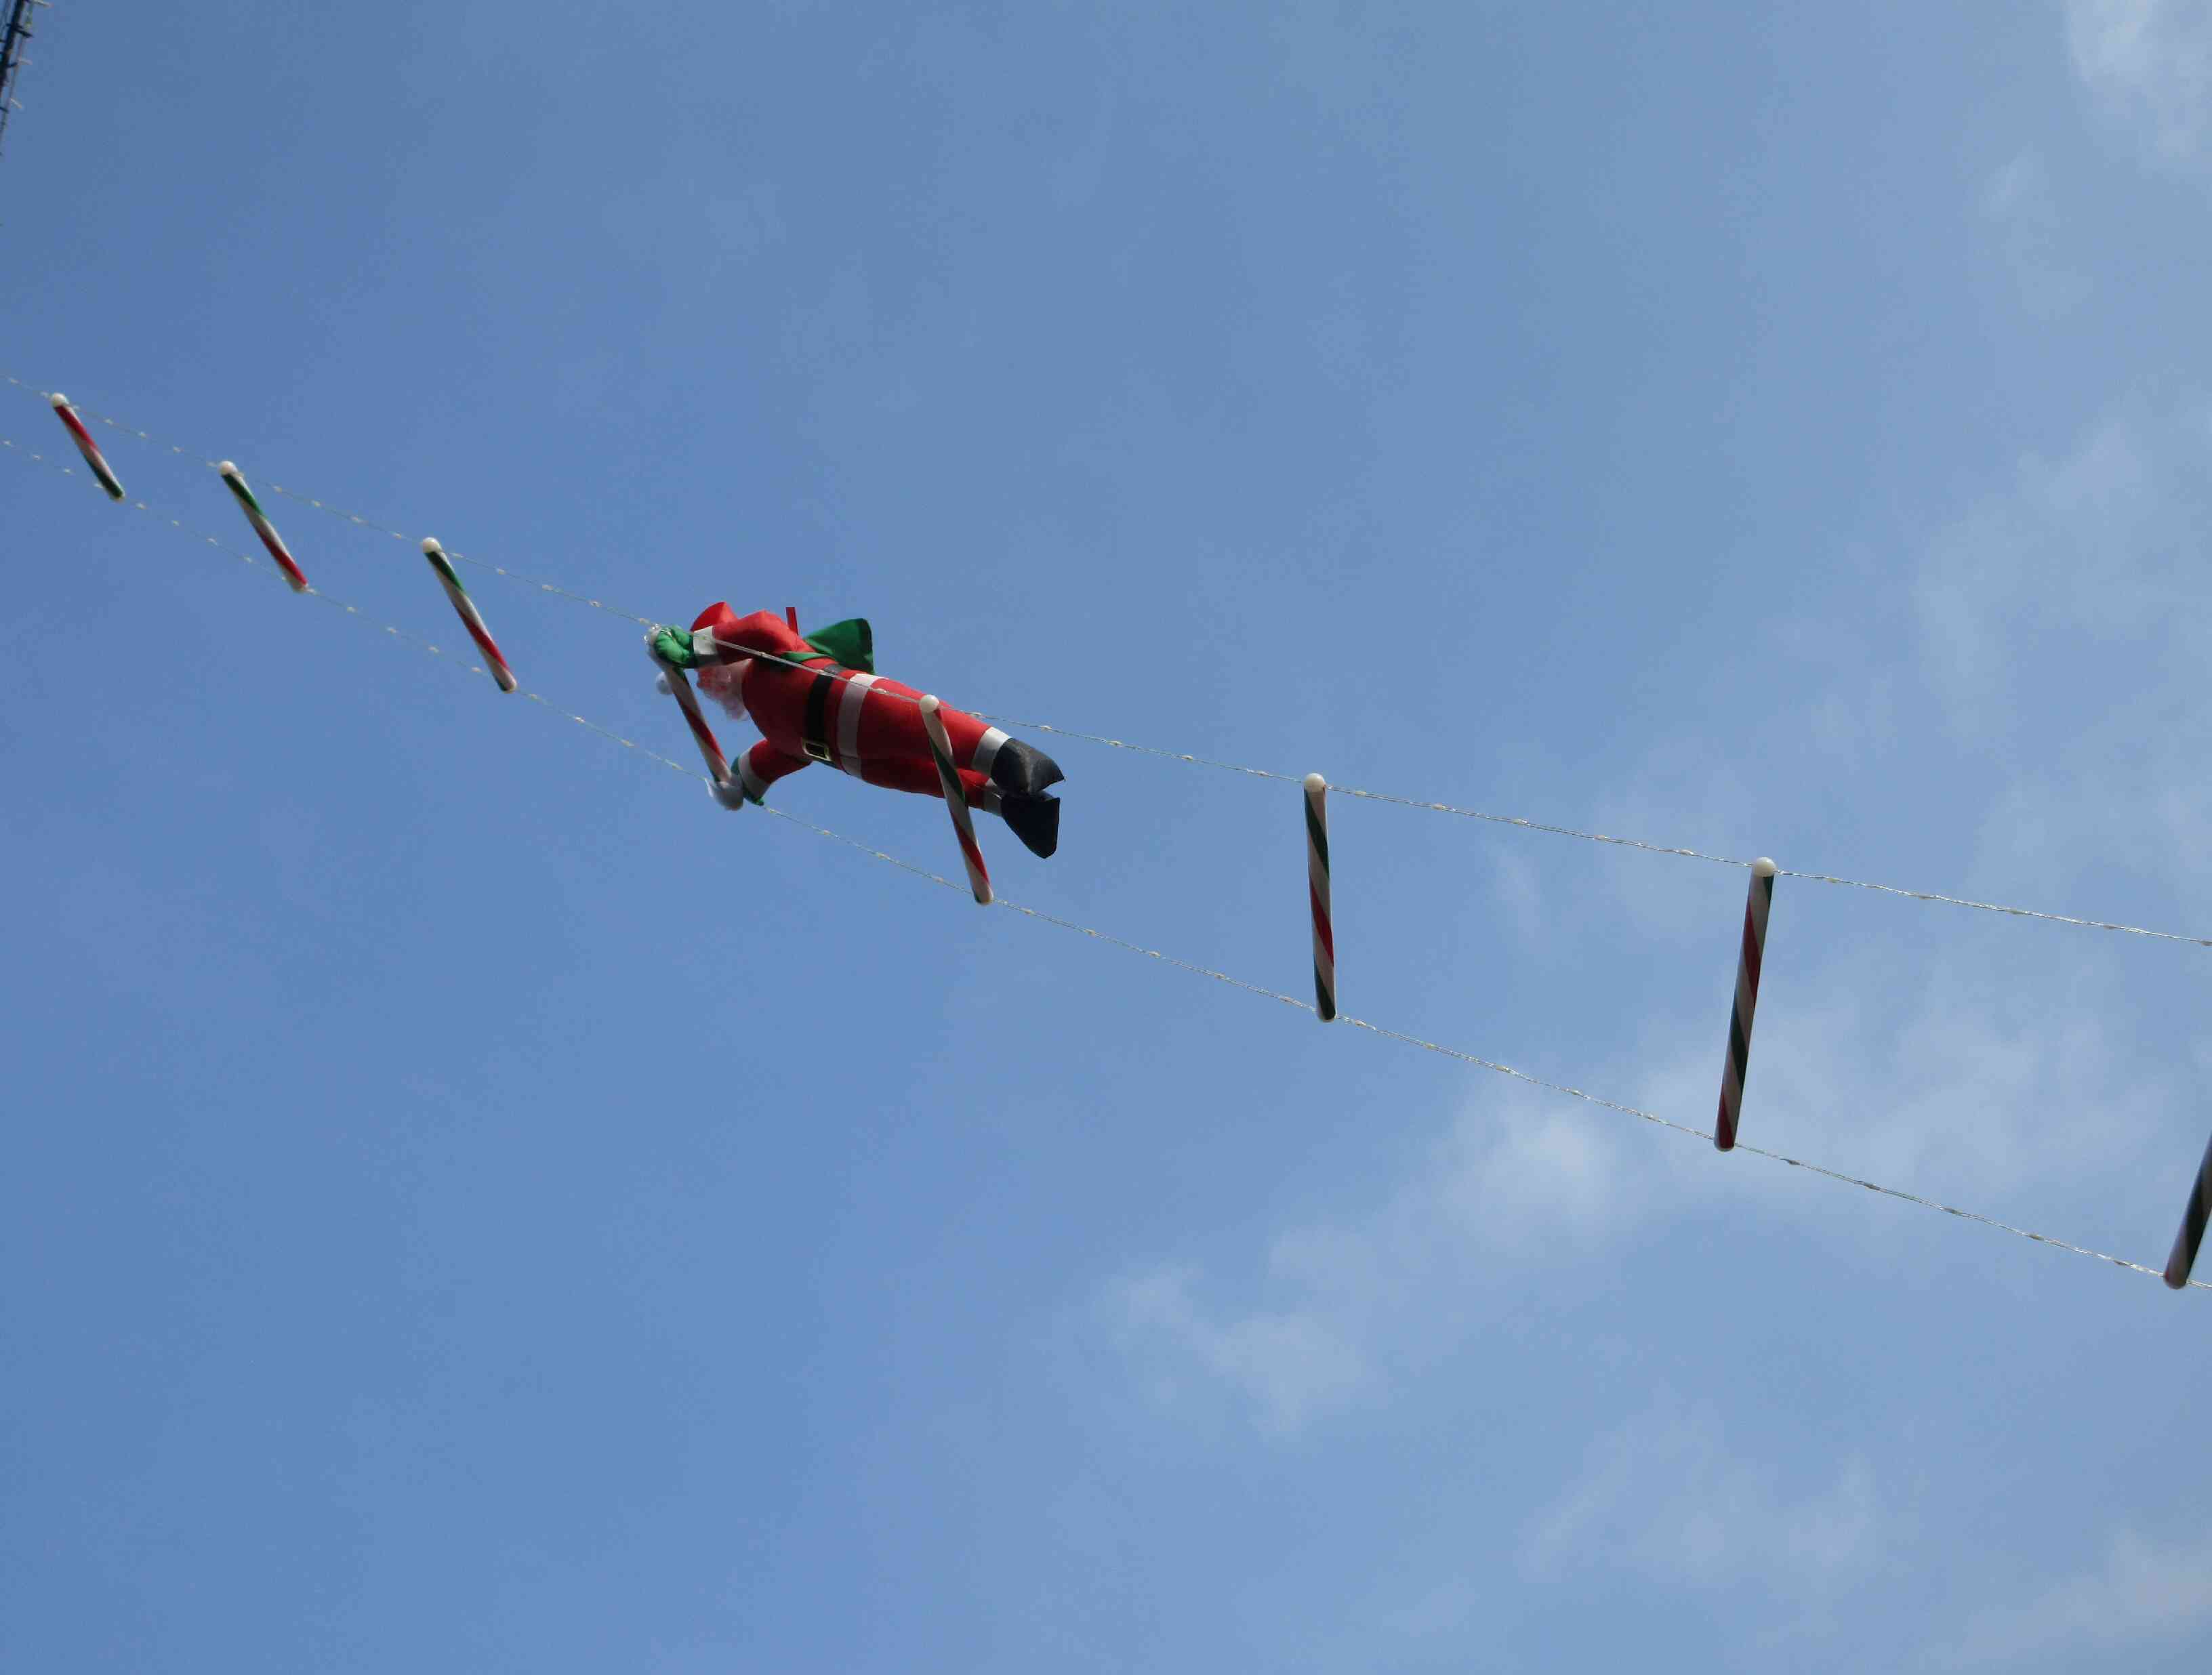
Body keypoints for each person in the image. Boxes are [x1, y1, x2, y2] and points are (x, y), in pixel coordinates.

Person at [651, 604, 1063, 858]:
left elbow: (760, 625)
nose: (709, 685)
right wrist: (738, 784)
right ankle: (1014, 808)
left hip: (852, 702)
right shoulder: (766, 721)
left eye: (707, 674)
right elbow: (771, 758)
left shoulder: (770, 654)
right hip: (854, 761)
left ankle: (1011, 756)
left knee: (931, 730)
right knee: (934, 779)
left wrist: (691, 649)